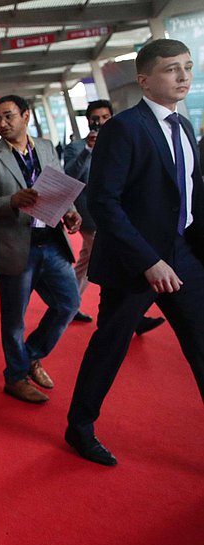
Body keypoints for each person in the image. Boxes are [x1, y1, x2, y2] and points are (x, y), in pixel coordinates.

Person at [66, 39, 204, 466]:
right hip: (135, 263)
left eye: (187, 66)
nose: (183, 76)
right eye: (171, 69)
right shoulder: (124, 128)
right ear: (144, 80)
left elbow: (191, 193)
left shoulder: (184, 126)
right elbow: (104, 202)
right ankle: (79, 426)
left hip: (185, 255)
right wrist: (149, 261)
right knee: (110, 346)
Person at [0, 95, 81, 404]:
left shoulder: (45, 148)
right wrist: (12, 201)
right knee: (14, 320)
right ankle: (15, 377)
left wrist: (70, 211)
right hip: (15, 247)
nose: (1, 124)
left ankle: (30, 356)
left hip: (52, 241)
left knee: (68, 305)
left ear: (26, 116)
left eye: (8, 116)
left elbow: (60, 186)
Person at [64, 100, 166, 334]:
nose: (100, 122)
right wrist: (88, 151)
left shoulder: (124, 142)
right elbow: (70, 176)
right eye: (95, 119)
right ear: (88, 121)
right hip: (90, 215)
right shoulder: (76, 147)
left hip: (123, 214)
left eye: (105, 117)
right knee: (116, 261)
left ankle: (69, 302)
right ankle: (131, 317)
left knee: (87, 262)